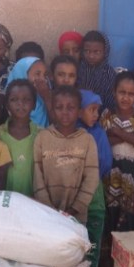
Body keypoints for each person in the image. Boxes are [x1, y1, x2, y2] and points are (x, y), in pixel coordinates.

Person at [33, 86, 99, 225]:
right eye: (59, 107)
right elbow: (37, 177)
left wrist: (74, 209)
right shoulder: (42, 138)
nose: (64, 112)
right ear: (52, 110)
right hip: (47, 215)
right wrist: (49, 210)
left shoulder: (87, 140)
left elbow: (91, 178)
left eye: (70, 108)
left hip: (76, 217)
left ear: (79, 112)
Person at [102, 72, 134, 232]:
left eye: (131, 94)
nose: (126, 97)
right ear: (114, 92)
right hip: (109, 173)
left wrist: (117, 132)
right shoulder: (107, 114)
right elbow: (104, 141)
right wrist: (130, 137)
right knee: (109, 210)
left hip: (131, 175)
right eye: (122, 92)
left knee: (129, 211)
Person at [78, 89, 111, 267]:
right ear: (79, 110)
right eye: (91, 109)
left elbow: (106, 162)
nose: (96, 114)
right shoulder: (73, 132)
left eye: (98, 110)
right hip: (73, 189)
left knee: (94, 232)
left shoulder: (98, 133)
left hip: (95, 190)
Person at [77, 31, 118, 113]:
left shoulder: (109, 74)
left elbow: (112, 103)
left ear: (105, 52)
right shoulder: (77, 69)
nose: (91, 56)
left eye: (97, 52)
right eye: (87, 51)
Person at [8, 56, 50, 128]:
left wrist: (46, 97)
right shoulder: (10, 97)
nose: (43, 79)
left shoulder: (45, 95)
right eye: (37, 74)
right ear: (23, 74)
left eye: (45, 75)